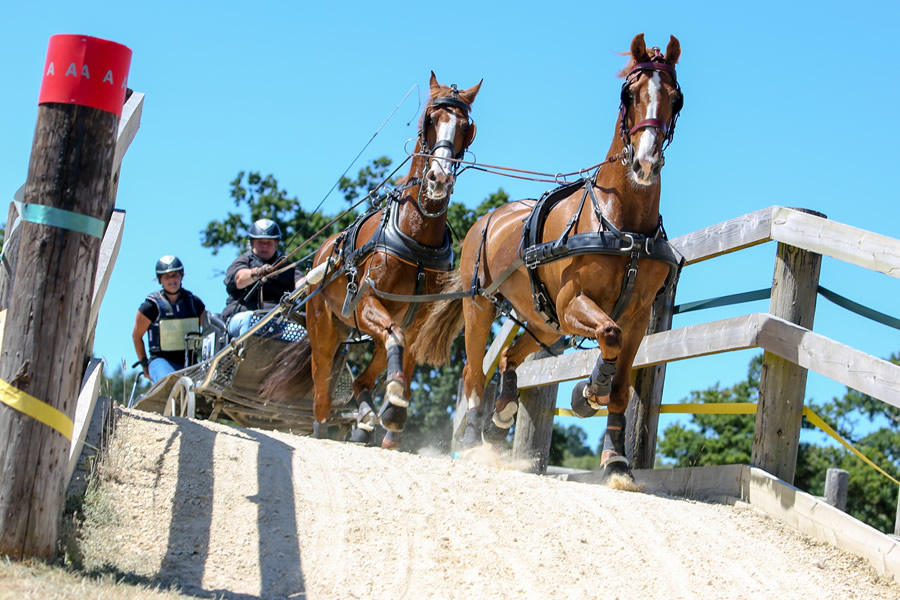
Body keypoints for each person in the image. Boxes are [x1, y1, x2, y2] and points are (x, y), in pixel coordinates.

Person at [222, 218, 302, 338]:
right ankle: (245, 355)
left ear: (276, 243)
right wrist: (257, 272)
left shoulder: (287, 267)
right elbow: (239, 279)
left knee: (301, 332)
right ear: (252, 243)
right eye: (260, 242)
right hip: (242, 318)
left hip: (278, 322)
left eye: (269, 242)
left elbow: (302, 283)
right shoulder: (243, 261)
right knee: (250, 320)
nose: (264, 246)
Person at [132, 256, 206, 383]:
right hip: (161, 361)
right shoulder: (150, 307)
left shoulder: (195, 303)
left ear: (181, 276)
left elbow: (208, 329)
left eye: (175, 275)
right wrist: (144, 364)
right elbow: (136, 336)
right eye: (167, 277)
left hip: (191, 362)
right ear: (160, 279)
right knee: (167, 383)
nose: (172, 280)